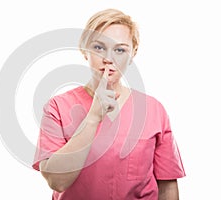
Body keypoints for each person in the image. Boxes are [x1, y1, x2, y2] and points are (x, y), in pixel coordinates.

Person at [32, 8, 185, 199]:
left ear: (133, 54)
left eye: (120, 50)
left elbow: (167, 186)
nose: (109, 59)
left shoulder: (154, 111)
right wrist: (93, 117)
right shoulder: (57, 107)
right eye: (98, 47)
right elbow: (57, 181)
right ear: (84, 50)